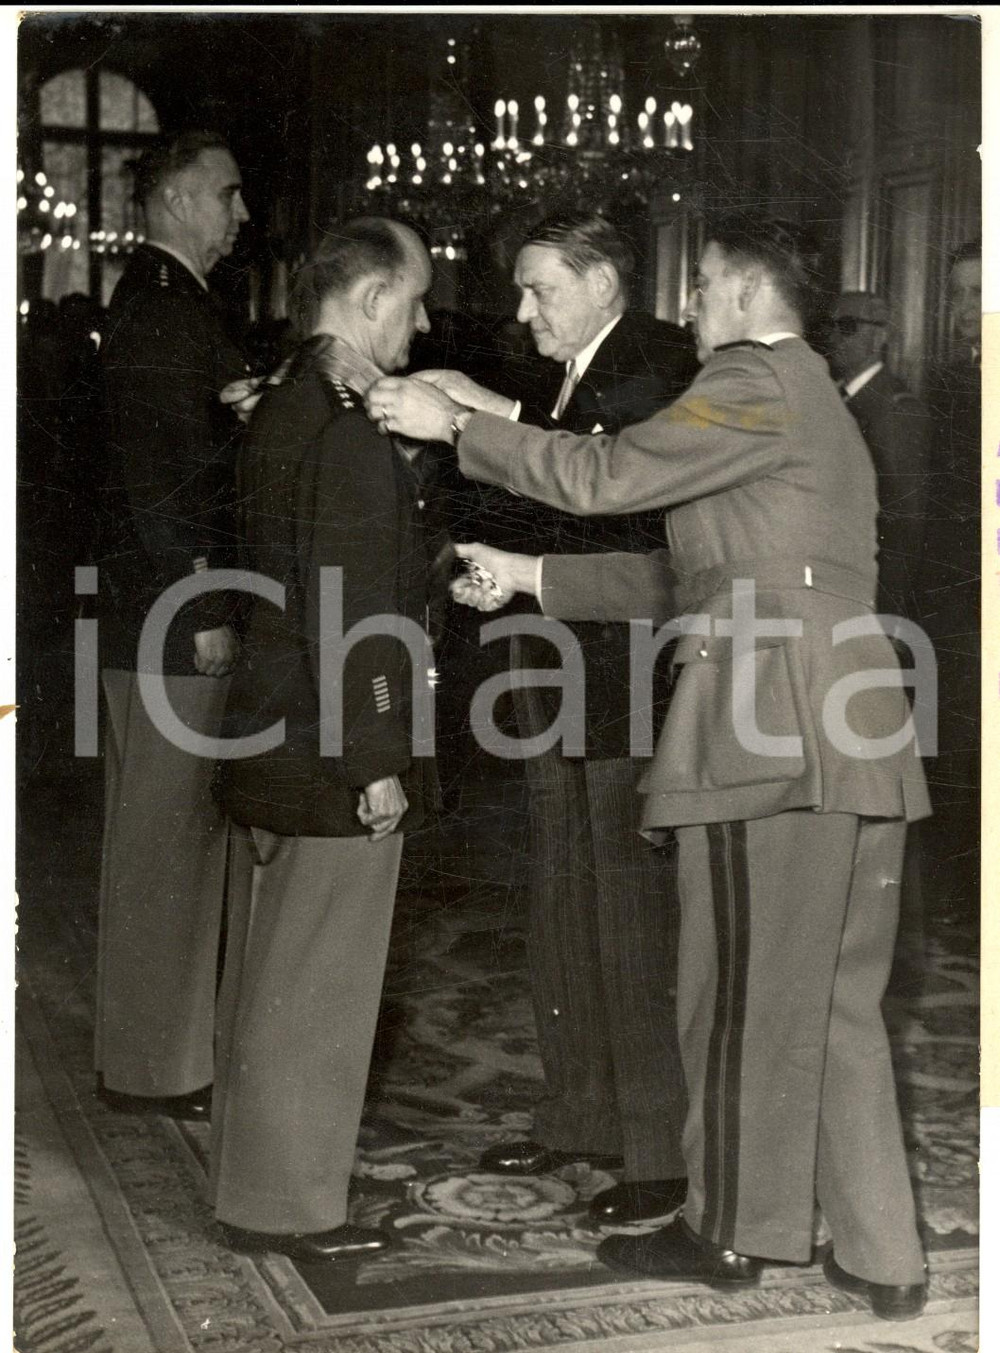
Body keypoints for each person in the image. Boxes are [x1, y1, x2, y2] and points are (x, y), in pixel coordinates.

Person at [366, 213, 931, 1321]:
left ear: (742, 292)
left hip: (765, 730)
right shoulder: (801, 404)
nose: (689, 306)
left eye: (705, 285)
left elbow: (609, 473)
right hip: (845, 728)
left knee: (728, 996)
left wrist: (452, 425)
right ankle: (882, 1250)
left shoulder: (753, 377)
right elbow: (691, 578)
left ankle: (726, 1231)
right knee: (829, 1006)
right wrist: (529, 576)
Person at [438, 211, 698, 1225]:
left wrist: (473, 417)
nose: (522, 309)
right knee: (565, 907)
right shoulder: (569, 375)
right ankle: (579, 1116)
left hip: (630, 685)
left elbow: (602, 471)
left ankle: (655, 1151)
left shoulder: (652, 359)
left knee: (630, 921)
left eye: (540, 287)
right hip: (558, 678)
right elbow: (548, 471)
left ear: (601, 282)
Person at [209, 218, 440, 1263]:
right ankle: (285, 1207)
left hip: (266, 722)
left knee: (270, 970)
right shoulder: (344, 430)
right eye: (416, 300)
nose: (425, 319)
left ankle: (254, 1184)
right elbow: (351, 615)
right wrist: (376, 761)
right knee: (319, 985)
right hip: (326, 741)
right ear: (370, 299)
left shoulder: (277, 408)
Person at [95, 131, 251, 1120]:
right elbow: (162, 483)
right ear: (188, 196)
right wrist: (202, 603)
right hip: (170, 617)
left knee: (161, 838)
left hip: (147, 612)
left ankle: (155, 1053)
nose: (242, 217)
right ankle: (154, 1068)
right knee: (167, 843)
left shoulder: (167, 303)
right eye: (231, 195)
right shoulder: (163, 309)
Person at [919, 240, 981, 918]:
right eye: (959, 294)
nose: (966, 310)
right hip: (957, 595)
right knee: (960, 743)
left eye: (980, 294)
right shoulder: (944, 382)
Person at [826, 292, 932, 622]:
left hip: (869, 597)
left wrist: (889, 617)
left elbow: (904, 525)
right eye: (828, 327)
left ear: (880, 335)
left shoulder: (896, 408)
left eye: (847, 326)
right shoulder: (832, 398)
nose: (833, 337)